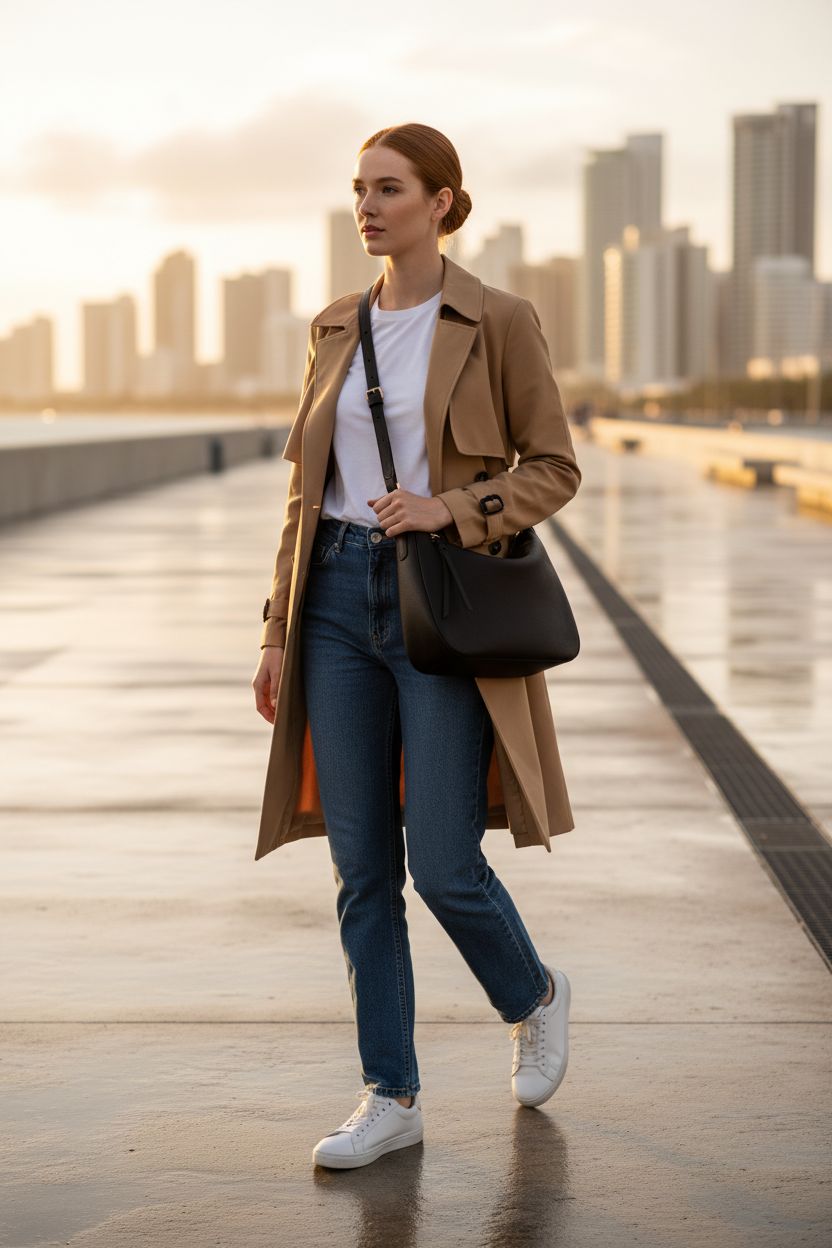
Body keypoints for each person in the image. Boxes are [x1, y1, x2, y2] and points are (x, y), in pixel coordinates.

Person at [252, 122, 578, 1171]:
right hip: (335, 604)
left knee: (442, 863)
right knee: (359, 871)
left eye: (388, 189)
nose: (367, 206)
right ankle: (391, 1095)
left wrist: (452, 507)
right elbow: (306, 491)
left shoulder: (499, 320)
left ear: (442, 201)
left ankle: (531, 993)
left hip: (437, 604)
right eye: (358, 190)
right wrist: (274, 631)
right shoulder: (333, 326)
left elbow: (554, 468)